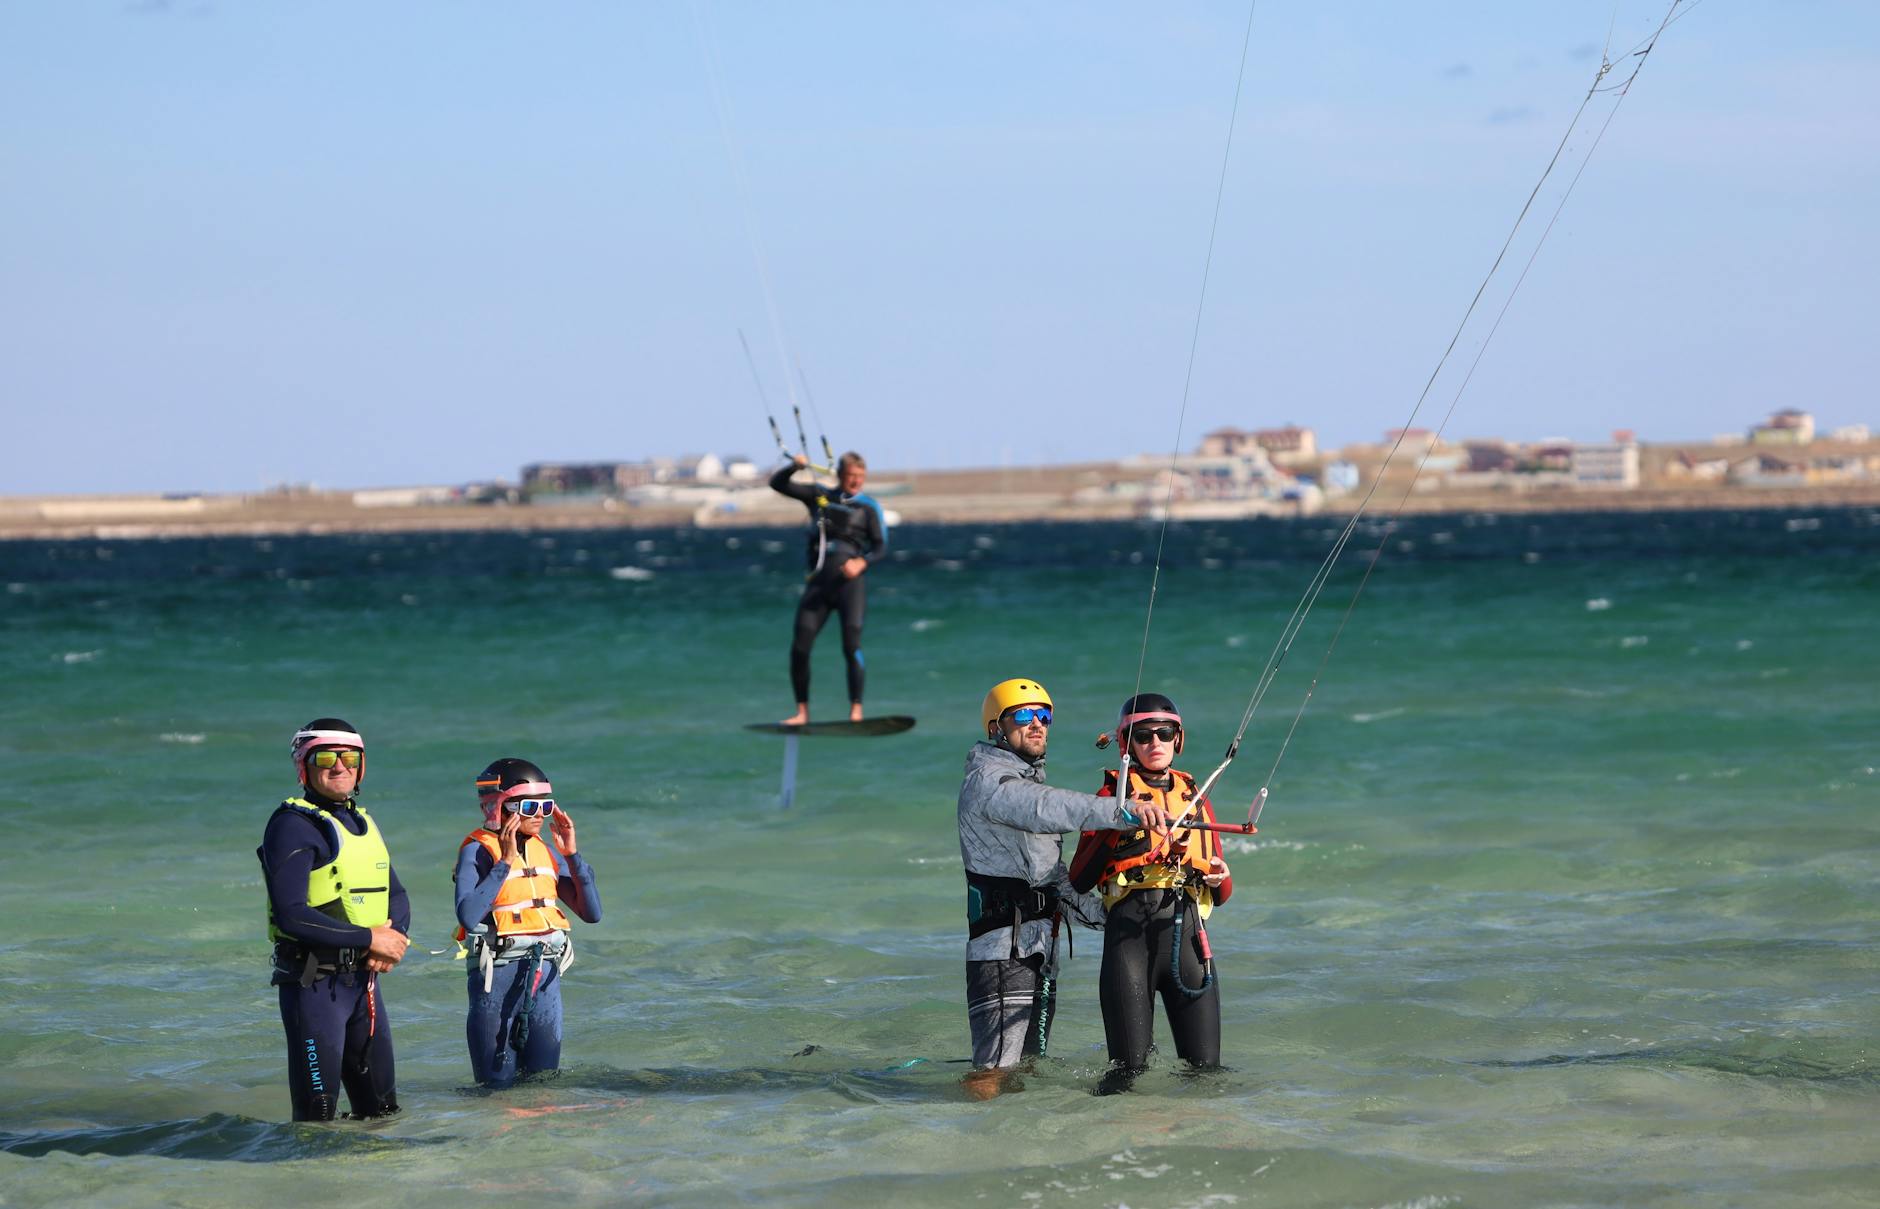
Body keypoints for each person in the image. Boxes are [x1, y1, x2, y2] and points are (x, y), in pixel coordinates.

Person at [956, 677, 1174, 1098]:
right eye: (1023, 716)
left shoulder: (1026, 780)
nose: (1037, 724)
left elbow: (1053, 879)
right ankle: (976, 1142)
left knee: (1029, 1065)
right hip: (1003, 950)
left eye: (1045, 715)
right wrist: (1124, 810)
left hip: (1038, 945)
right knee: (995, 1069)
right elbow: (1047, 809)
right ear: (994, 728)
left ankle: (1021, 1147)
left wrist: (1114, 916)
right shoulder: (991, 782)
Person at [1068, 694, 1233, 1094]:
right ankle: (1116, 1148)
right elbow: (1079, 878)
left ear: (1178, 739)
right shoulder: (1112, 797)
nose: (1154, 742)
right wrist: (1118, 821)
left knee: (1206, 1071)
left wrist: (1220, 878)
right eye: (1143, 735)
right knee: (1128, 1072)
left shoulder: (1194, 795)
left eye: (1164, 733)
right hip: (1130, 943)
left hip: (1189, 941)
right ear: (1126, 744)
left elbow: (1223, 893)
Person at [258, 718, 410, 1121]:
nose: (339, 766)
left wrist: (392, 942)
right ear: (303, 767)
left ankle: (377, 1185)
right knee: (317, 1117)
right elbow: (291, 915)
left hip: (365, 985)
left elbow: (396, 895)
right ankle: (312, 1183)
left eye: (350, 758)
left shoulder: (364, 823)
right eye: (325, 757)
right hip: (315, 988)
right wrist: (369, 939)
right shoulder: (292, 826)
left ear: (361, 766)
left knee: (383, 1110)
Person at [453, 758, 602, 1088]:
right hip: (497, 980)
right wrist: (504, 862)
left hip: (544, 976)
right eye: (530, 805)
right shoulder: (477, 851)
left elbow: (592, 913)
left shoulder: (546, 852)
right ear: (501, 806)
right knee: (497, 1092)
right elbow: (468, 914)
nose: (539, 814)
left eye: (546, 806)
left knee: (544, 1086)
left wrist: (573, 855)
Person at [769, 450, 887, 725]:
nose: (856, 481)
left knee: (851, 646)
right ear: (840, 475)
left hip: (850, 585)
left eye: (860, 476)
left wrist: (862, 562)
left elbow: (881, 547)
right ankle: (802, 712)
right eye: (851, 476)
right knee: (800, 646)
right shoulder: (819, 496)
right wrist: (793, 467)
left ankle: (856, 711)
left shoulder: (869, 508)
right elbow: (778, 484)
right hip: (819, 583)